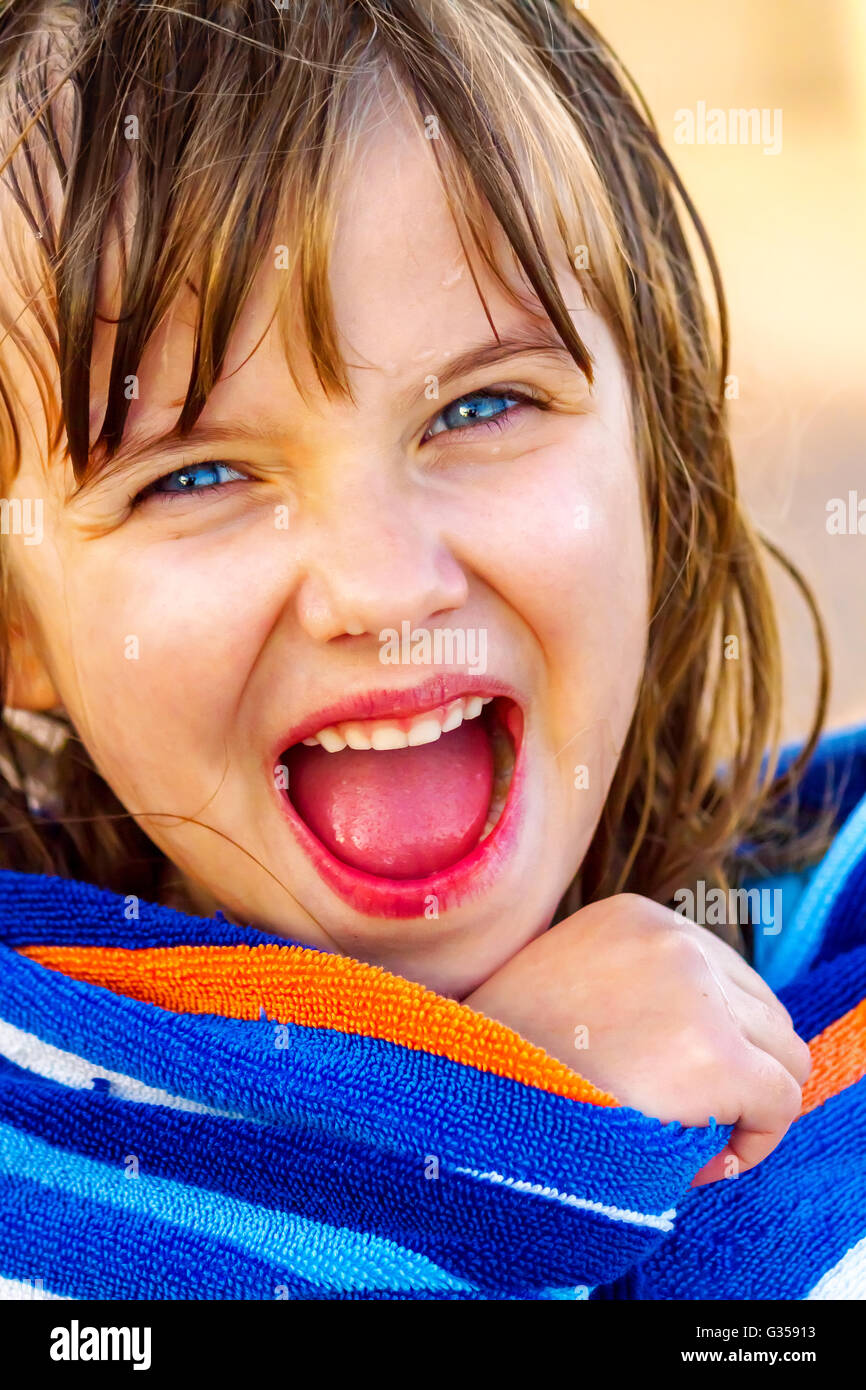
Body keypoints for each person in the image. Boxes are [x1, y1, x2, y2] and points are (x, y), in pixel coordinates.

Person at [0, 0, 861, 1301]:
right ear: (16, 625)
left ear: (656, 461)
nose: (384, 583)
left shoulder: (830, 936)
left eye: (481, 403)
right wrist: (483, 1128)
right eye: (197, 474)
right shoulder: (43, 1132)